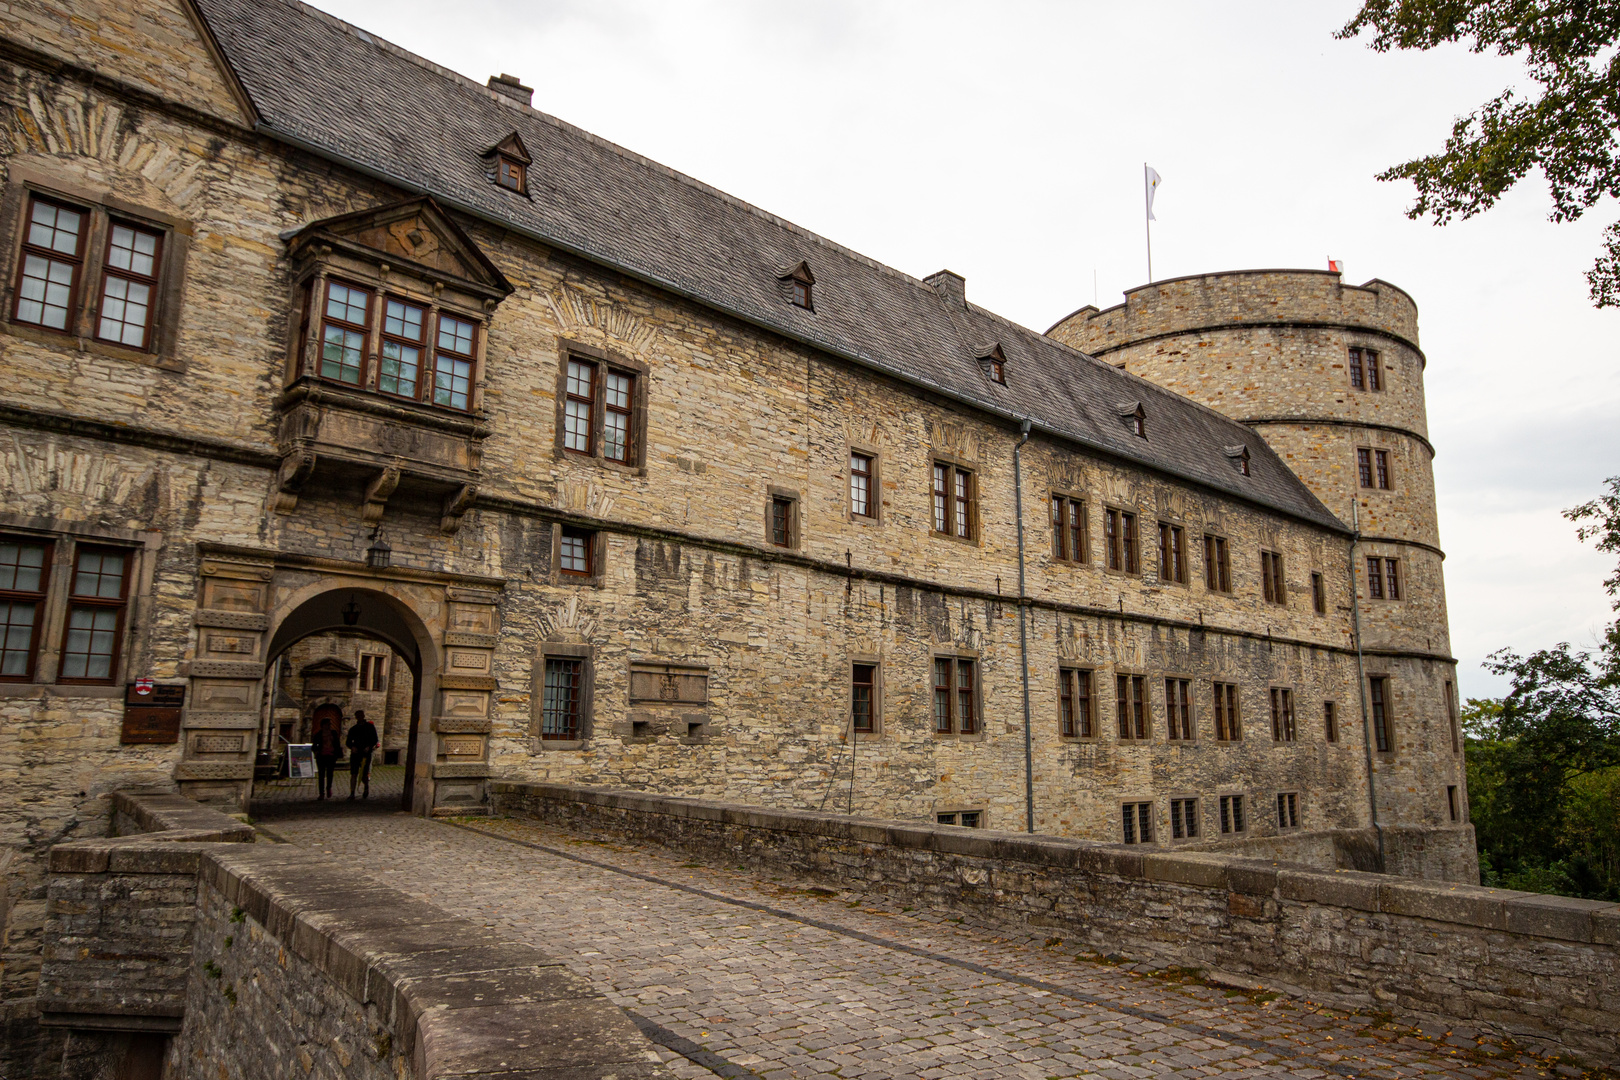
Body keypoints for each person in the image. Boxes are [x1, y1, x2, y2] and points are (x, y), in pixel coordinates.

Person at [346, 709, 379, 800]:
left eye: (361, 715)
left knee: (364, 773)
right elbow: (348, 742)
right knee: (354, 773)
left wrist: (369, 746)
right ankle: (352, 792)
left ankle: (366, 787)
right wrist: (352, 747)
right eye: (358, 716)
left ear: (363, 716)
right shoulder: (353, 729)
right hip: (356, 754)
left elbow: (375, 739)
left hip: (365, 753)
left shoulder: (370, 727)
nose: (360, 717)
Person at [312, 712, 343, 800]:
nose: (329, 725)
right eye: (328, 724)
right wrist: (317, 752)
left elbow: (337, 744)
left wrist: (337, 753)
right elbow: (314, 746)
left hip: (331, 755)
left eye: (330, 724)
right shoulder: (318, 734)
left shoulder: (333, 733)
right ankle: (321, 793)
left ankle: (328, 787)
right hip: (321, 756)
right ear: (323, 725)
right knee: (321, 775)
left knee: (330, 773)